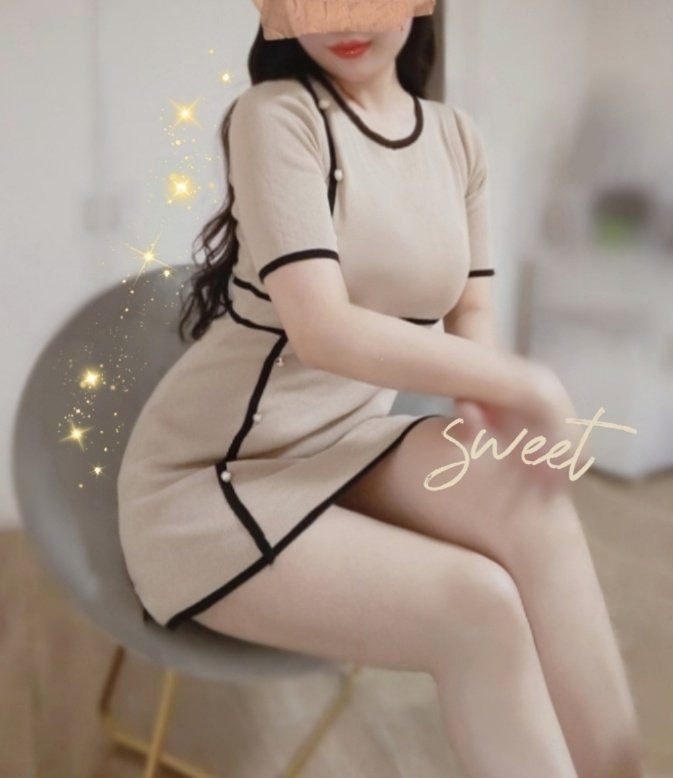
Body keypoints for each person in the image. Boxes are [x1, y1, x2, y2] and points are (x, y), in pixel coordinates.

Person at [116, 11, 644, 777]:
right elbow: (322, 330)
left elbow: (471, 311)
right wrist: (526, 382)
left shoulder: (455, 137)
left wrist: (488, 417)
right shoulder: (277, 115)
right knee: (478, 606)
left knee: (533, 504)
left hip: (343, 445)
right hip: (212, 481)